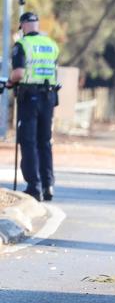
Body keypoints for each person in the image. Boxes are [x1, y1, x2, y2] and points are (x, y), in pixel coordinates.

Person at [6, 12, 60, 202]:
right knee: (44, 142)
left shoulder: (22, 45)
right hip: (49, 97)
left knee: (28, 141)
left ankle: (34, 187)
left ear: (23, 26)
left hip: (30, 98)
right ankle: (48, 185)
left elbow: (19, 73)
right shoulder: (51, 45)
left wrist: (9, 83)